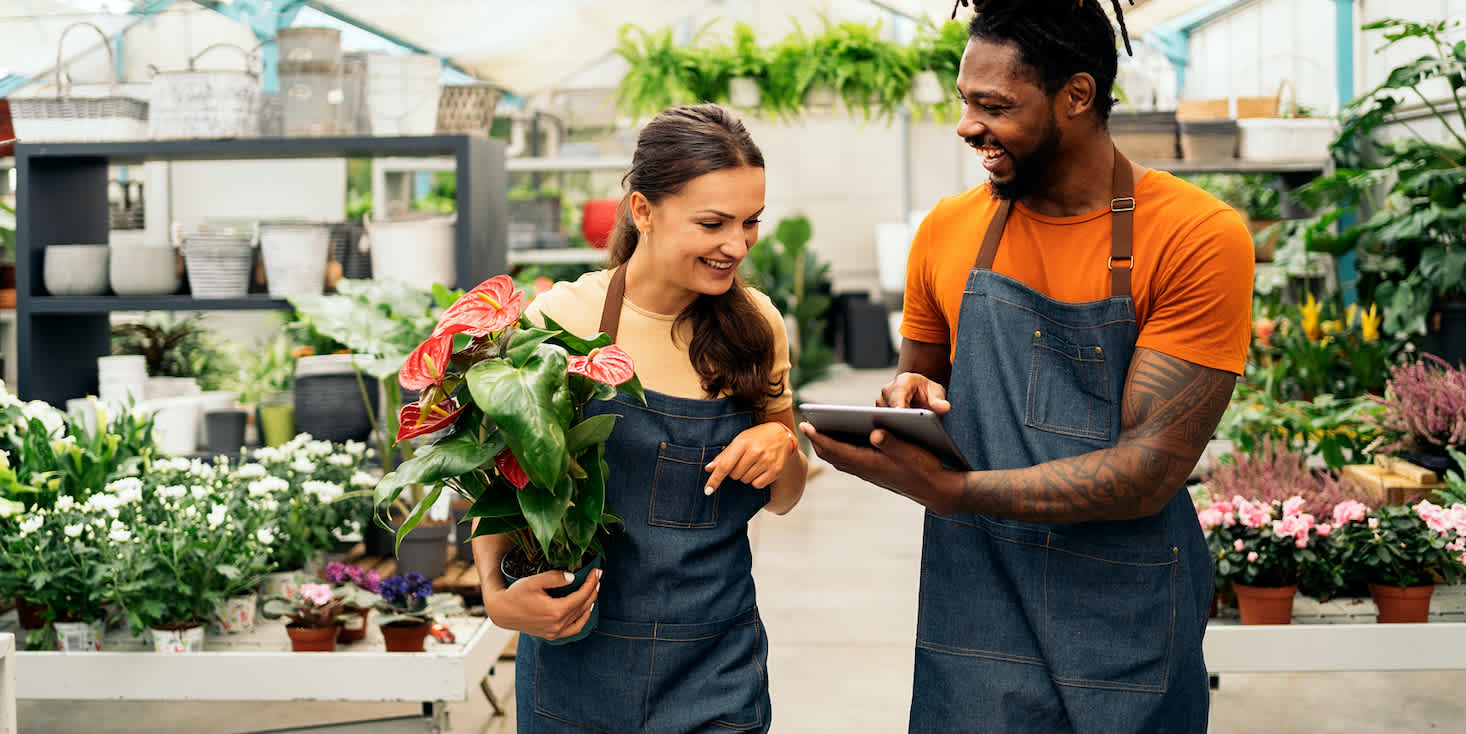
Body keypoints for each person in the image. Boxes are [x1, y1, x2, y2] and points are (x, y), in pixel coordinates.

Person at [803, 1, 1253, 732]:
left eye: (995, 105)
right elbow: (923, 392)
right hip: (977, 604)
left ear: (1076, 95)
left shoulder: (1195, 235)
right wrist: (906, 405)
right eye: (965, 101)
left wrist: (956, 492)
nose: (966, 125)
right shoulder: (948, 230)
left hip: (1127, 609)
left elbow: (1148, 471)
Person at [472, 103, 808, 733]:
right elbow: (501, 483)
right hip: (579, 664)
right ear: (644, 211)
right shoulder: (560, 323)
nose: (736, 245)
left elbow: (786, 498)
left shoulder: (756, 325)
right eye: (712, 223)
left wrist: (780, 444)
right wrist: (497, 596)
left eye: (751, 223)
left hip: (716, 665)